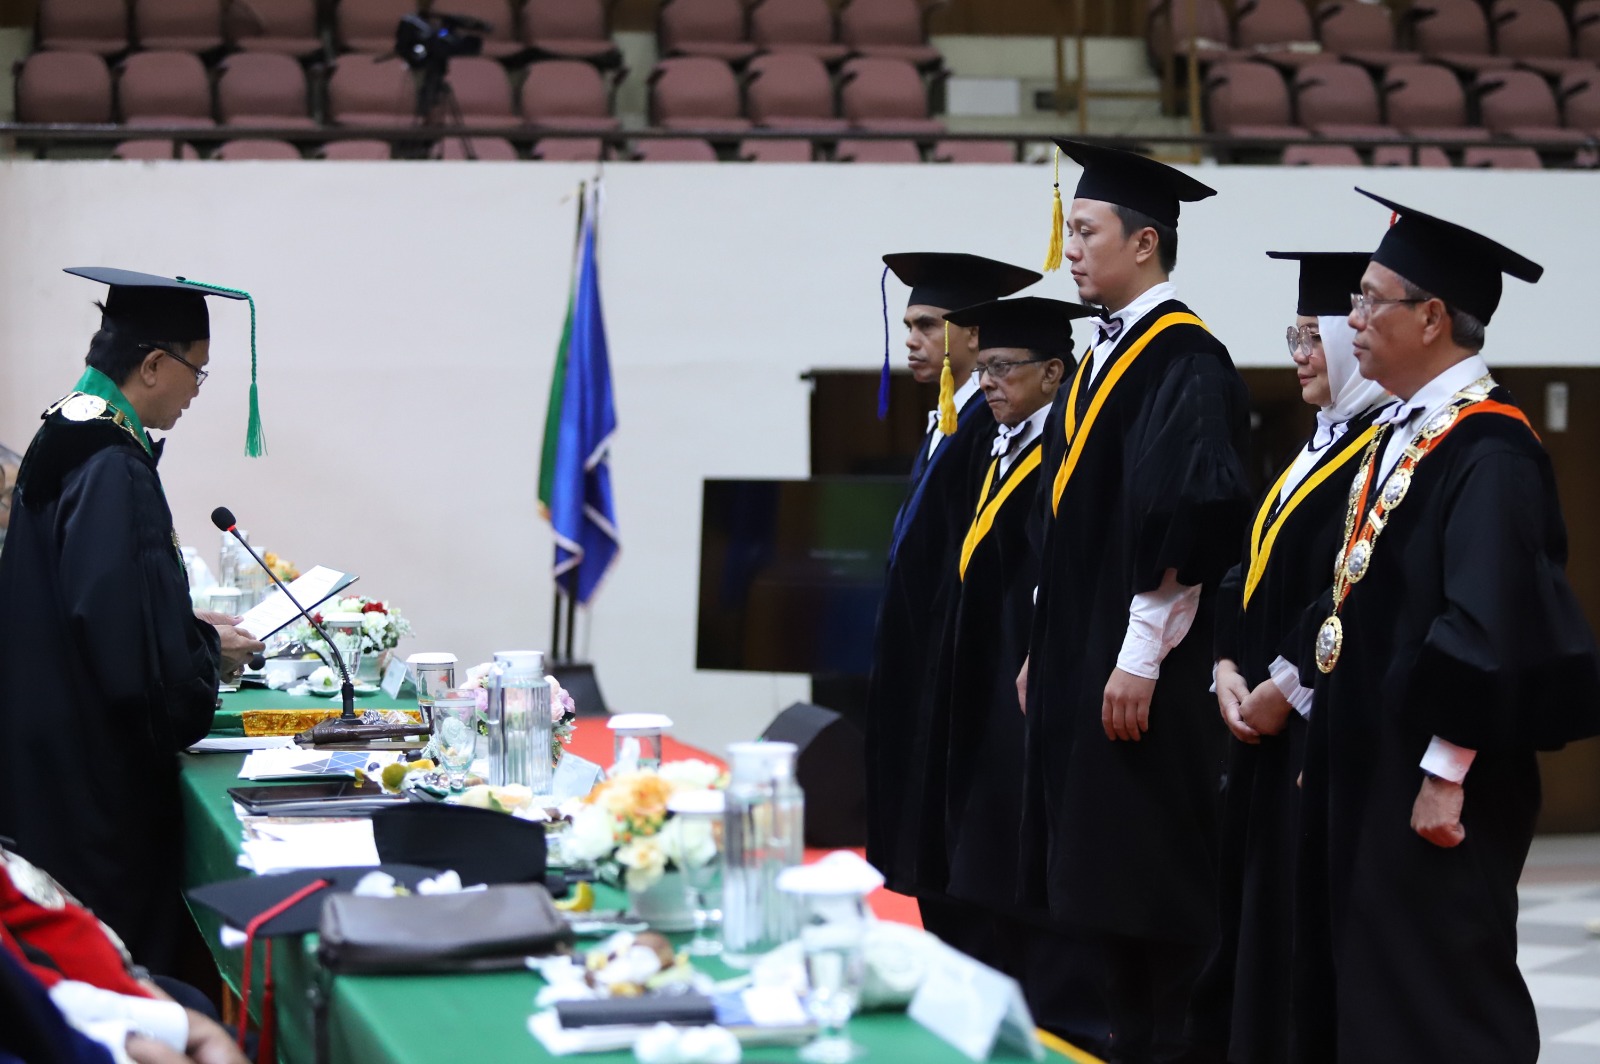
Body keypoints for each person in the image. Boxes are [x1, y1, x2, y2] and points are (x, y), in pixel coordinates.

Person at [1290, 192, 1600, 1064]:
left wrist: (1443, 774)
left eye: (1369, 300)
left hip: (1434, 783)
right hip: (1373, 766)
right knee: (1373, 996)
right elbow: (1360, 600)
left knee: (1439, 1003)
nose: (1352, 319)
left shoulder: (1490, 450)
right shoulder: (1406, 431)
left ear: (1431, 318)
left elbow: (1487, 622)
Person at [1015, 141, 1252, 1064]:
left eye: (1086, 232)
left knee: (1152, 900)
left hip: (1141, 674)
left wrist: (1139, 655)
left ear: (1144, 242)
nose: (1070, 250)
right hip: (1085, 657)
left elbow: (1191, 515)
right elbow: (1073, 520)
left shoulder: (1185, 357)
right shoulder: (1101, 359)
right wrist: (1044, 643)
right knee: (1102, 902)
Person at [0, 268, 265, 973]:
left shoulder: (66, 426)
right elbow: (130, 663)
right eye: (196, 372)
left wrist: (179, 619)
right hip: (92, 788)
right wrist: (204, 647)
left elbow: (85, 600)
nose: (195, 392)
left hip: (42, 757)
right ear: (152, 365)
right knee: (125, 971)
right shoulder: (113, 463)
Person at [1187, 252, 1391, 1064]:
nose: (1300, 355)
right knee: (1255, 927)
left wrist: (1287, 684)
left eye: (1315, 337)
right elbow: (1248, 571)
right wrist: (1225, 665)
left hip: (1314, 729)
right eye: (1294, 337)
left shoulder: (1380, 450)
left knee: (1301, 941)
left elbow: (1358, 591)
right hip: (1259, 727)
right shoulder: (1317, 445)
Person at [928, 295, 1111, 1054]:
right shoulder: (998, 447)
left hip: (1035, 689)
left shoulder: (1061, 457)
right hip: (989, 686)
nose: (987, 382)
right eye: (985, 367)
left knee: (1029, 866)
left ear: (1053, 373)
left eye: (1004, 368)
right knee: (985, 861)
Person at [864, 252, 1040, 944]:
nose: (911, 340)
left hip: (968, 671)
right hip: (924, 663)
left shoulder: (991, 432)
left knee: (962, 871)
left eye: (928, 325)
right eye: (908, 325)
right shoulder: (949, 421)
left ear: (972, 335)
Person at [0, 844, 249, 1064]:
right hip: (53, 1023)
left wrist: (134, 987)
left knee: (197, 1008)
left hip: (64, 995)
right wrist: (127, 1037)